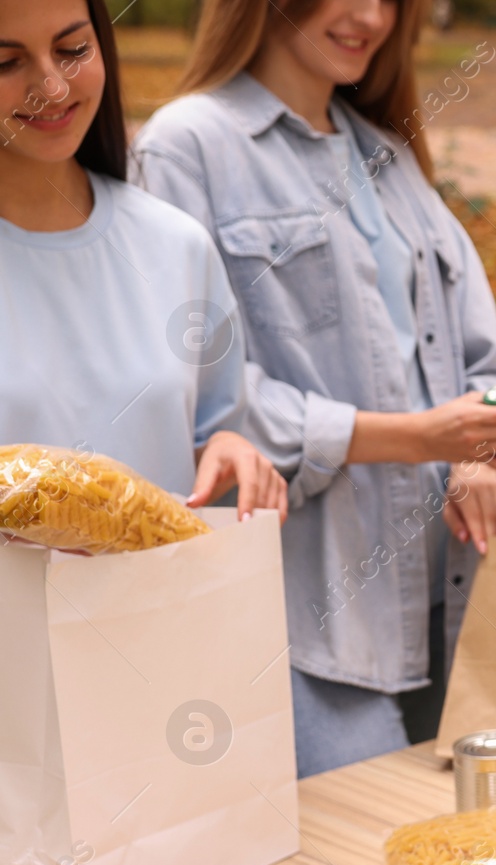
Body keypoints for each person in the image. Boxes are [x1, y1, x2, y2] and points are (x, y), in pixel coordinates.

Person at [133, 0, 496, 776]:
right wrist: (422, 437)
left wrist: (476, 457)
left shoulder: (388, 156)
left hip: (453, 599)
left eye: (390, 0)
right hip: (311, 613)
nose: (370, 17)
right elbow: (195, 391)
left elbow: (485, 362)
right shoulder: (186, 148)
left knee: (462, 858)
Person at [0, 0, 285, 523]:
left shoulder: (177, 246)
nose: (54, 87)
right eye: (5, 62)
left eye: (72, 50)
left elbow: (216, 432)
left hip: (164, 599)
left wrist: (229, 454)